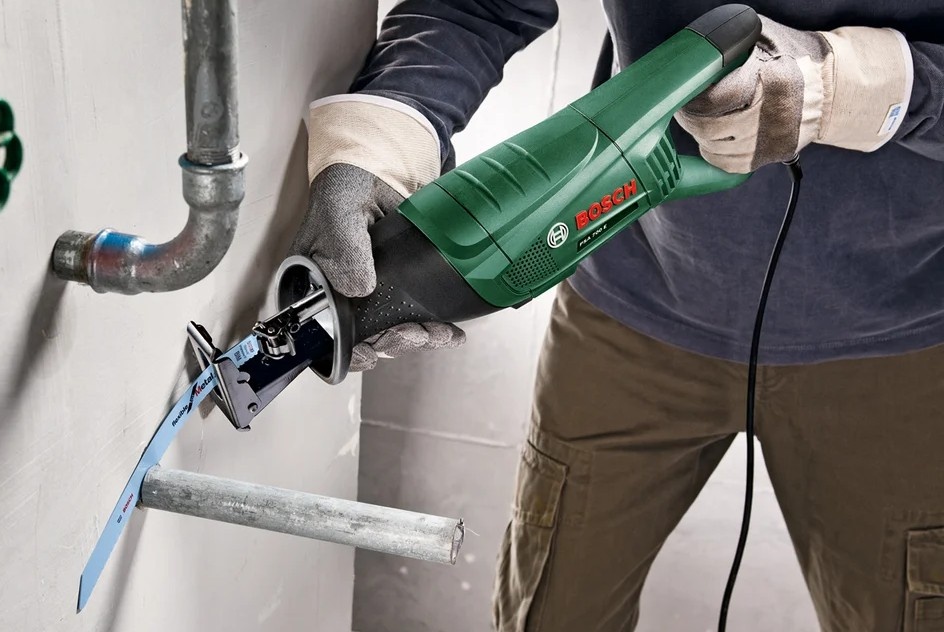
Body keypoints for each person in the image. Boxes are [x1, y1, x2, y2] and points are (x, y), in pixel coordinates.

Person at [289, 1, 944, 630]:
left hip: (899, 340)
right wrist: (376, 140)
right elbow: (479, 5)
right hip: (632, 306)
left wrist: (851, 86)